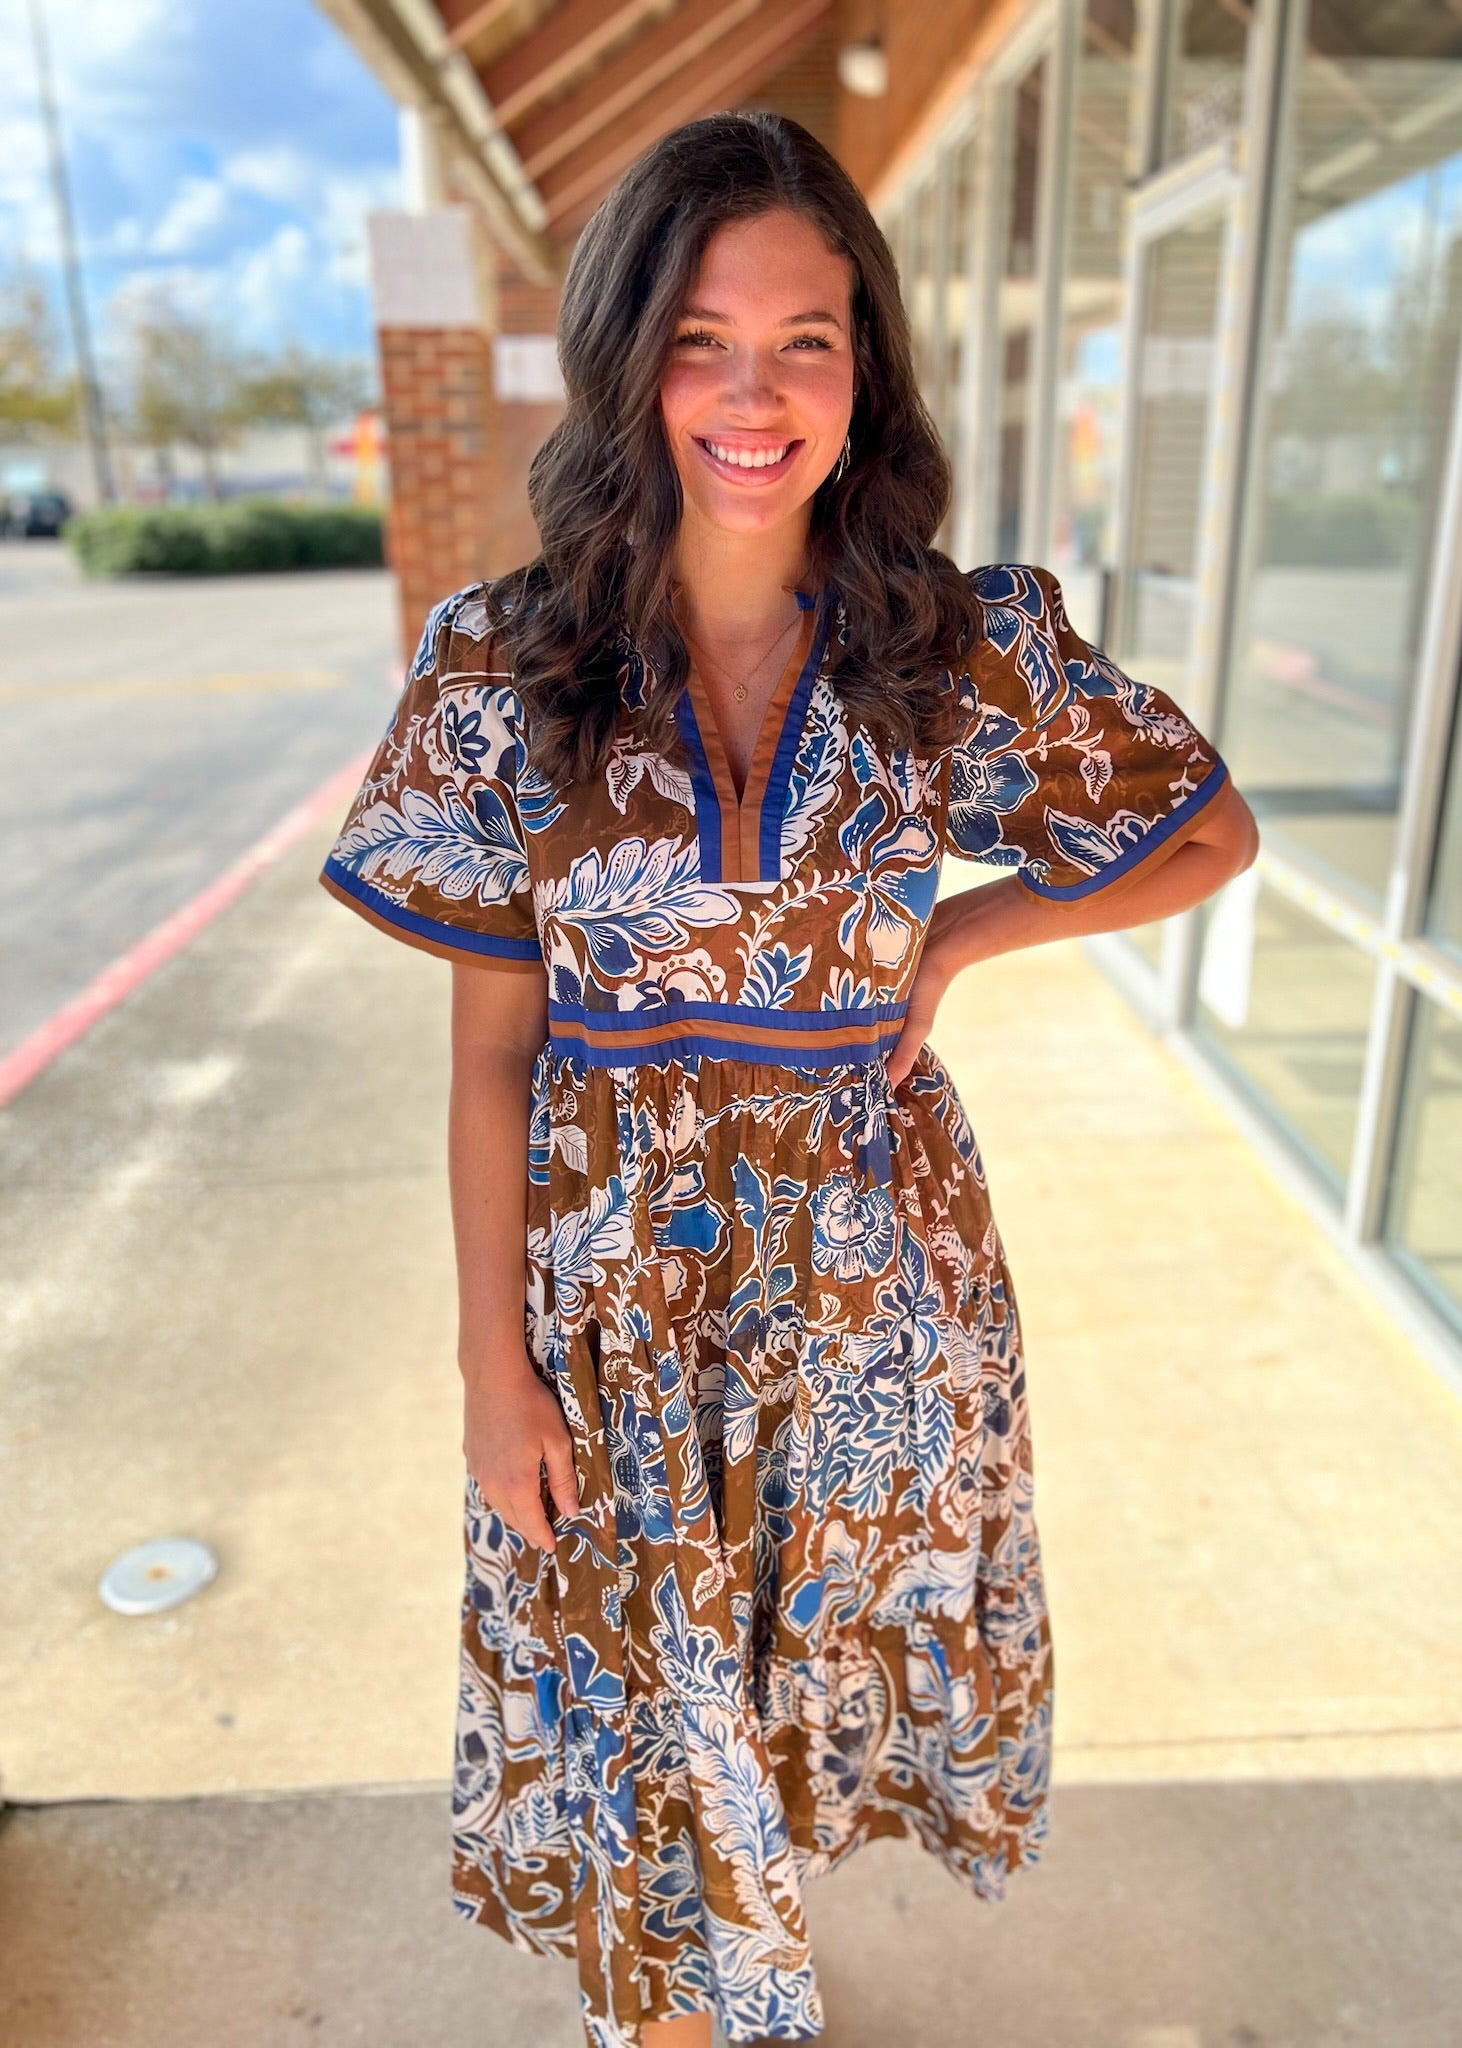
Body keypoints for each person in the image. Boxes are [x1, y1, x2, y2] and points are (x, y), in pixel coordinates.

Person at [318, 110, 1257, 2048]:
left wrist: (964, 933)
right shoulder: (504, 667)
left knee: (788, 1699)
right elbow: (491, 1058)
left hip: (871, 1288)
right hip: (617, 1307)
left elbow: (1206, 834)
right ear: (627, 358)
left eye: (804, 341)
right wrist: (492, 1367)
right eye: (701, 342)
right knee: (647, 1722)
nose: (755, 397)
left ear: (864, 368)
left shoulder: (956, 645)